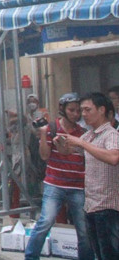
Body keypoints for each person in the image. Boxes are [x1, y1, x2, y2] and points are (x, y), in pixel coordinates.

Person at [24, 93, 93, 260]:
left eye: (78, 111)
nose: (76, 114)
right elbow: (44, 156)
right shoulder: (52, 128)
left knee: (83, 230)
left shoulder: (83, 132)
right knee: (45, 222)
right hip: (55, 183)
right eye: (72, 110)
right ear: (63, 109)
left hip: (78, 186)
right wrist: (43, 134)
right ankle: (31, 257)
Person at [62, 92, 119, 259]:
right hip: (91, 204)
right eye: (82, 110)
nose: (83, 114)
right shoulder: (88, 136)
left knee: (110, 253)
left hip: (108, 206)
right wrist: (62, 144)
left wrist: (81, 142)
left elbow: (113, 157)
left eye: (87, 110)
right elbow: (69, 150)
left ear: (101, 110)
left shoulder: (111, 135)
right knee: (99, 253)